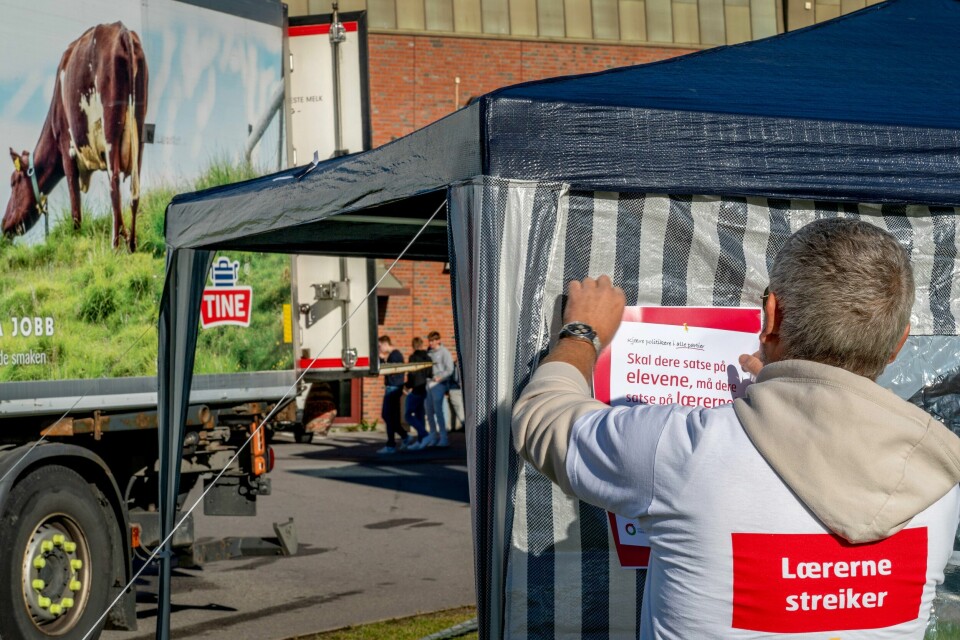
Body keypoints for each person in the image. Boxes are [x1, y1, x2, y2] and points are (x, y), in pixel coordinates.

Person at [512, 218, 960, 639]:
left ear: (772, 316)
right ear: (899, 343)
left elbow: (541, 419)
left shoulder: (685, 450)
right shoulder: (939, 481)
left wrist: (582, 332)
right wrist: (779, 394)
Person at [423, 330, 454, 448]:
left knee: (438, 411)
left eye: (433, 341)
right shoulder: (428, 352)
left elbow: (450, 369)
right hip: (428, 383)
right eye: (429, 341)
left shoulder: (444, 352)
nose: (430, 343)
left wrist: (440, 377)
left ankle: (443, 438)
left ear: (438, 340)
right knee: (429, 411)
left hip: (439, 384)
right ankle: (433, 437)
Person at [376, 335, 406, 454]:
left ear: (385, 344)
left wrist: (382, 359)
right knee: (391, 417)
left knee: (388, 416)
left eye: (380, 346)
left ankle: (391, 445)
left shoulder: (395, 355)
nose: (379, 349)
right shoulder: (394, 355)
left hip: (393, 388)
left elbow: (391, 371)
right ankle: (404, 437)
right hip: (393, 387)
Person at [404, 336, 432, 450]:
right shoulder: (428, 357)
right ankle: (421, 440)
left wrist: (407, 385)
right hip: (424, 388)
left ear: (413, 346)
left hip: (416, 388)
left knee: (408, 415)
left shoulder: (413, 357)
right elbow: (430, 374)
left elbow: (412, 374)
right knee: (420, 415)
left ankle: (424, 435)